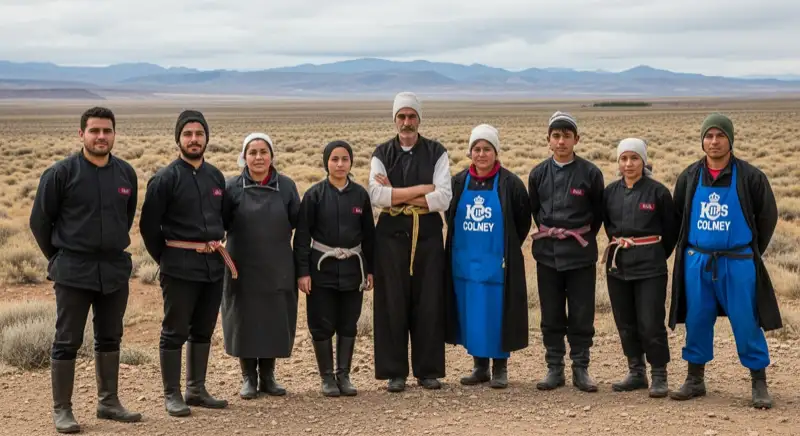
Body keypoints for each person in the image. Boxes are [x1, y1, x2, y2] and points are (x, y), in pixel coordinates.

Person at [29, 106, 142, 433]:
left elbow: (126, 215)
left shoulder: (126, 174)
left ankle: (109, 402)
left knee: (110, 336)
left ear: (114, 134)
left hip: (114, 270)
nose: (101, 137)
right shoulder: (60, 174)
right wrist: (59, 258)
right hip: (73, 270)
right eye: (94, 130)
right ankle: (62, 409)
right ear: (82, 134)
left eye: (107, 131)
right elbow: (39, 222)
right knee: (67, 339)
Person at [668, 113, 780, 409]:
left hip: (738, 262)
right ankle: (695, 379)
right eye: (709, 136)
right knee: (697, 318)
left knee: (746, 320)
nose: (714, 141)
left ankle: (758, 382)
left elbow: (768, 216)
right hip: (697, 261)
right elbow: (678, 216)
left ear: (730, 140)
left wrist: (749, 250)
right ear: (702, 140)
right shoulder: (689, 176)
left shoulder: (751, 177)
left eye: (720, 136)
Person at [139, 110, 233, 417]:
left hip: (212, 266)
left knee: (203, 329)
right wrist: (167, 258)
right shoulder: (165, 179)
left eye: (199, 134)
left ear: (207, 138)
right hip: (178, 266)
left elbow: (224, 219)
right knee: (174, 330)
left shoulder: (216, 176)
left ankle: (196, 389)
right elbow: (148, 227)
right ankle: (172, 394)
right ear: (178, 139)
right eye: (188, 134)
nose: (194, 140)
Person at [368, 91, 452, 392]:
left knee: (429, 300)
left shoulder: (437, 152)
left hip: (427, 236)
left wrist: (397, 194)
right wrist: (422, 189)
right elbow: (377, 196)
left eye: (412, 116)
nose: (407, 122)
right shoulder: (381, 153)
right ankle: (395, 372)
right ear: (395, 119)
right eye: (402, 116)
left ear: (419, 119)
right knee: (391, 301)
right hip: (390, 238)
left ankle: (427, 370)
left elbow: (444, 197)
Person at [444, 124, 531, 389]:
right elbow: (450, 217)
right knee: (471, 314)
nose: (481, 154)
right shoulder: (458, 182)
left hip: (497, 266)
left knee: (497, 315)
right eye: (477, 149)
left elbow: (521, 222)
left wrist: (506, 248)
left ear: (496, 152)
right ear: (470, 152)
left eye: (487, 149)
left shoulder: (510, 184)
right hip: (466, 266)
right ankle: (479, 367)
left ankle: (500, 367)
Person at [528, 111, 604, 393]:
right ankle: (554, 367)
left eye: (567, 136)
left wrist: (576, 235)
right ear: (548, 140)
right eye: (556, 136)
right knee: (550, 312)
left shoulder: (591, 173)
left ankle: (581, 368)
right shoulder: (537, 174)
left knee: (582, 312)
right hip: (547, 255)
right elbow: (535, 211)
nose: (561, 141)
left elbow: (598, 216)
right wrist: (554, 233)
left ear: (577, 139)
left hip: (580, 255)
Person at [221, 132, 301, 399]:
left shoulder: (287, 187)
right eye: (252, 152)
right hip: (241, 265)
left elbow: (298, 224)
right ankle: (248, 377)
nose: (258, 157)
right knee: (244, 319)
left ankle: (268, 376)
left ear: (272, 156)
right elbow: (221, 223)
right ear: (244, 157)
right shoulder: (231, 187)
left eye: (263, 152)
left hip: (277, 265)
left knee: (273, 318)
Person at [294, 140, 375, 397]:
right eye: (334, 159)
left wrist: (370, 270)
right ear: (326, 162)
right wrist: (303, 272)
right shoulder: (314, 195)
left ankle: (344, 375)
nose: (340, 164)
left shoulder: (360, 195)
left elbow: (369, 236)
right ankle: (327, 377)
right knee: (321, 323)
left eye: (345, 159)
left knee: (348, 322)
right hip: (321, 270)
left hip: (353, 269)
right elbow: (302, 237)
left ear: (351, 162)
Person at [601, 138, 677, 398]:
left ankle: (659, 374)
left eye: (634, 158)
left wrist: (653, 253)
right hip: (618, 264)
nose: (628, 164)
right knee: (625, 321)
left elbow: (671, 231)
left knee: (650, 322)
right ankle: (636, 372)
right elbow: (608, 225)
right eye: (623, 158)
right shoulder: (610, 192)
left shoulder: (658, 192)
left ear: (643, 161)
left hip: (650, 267)